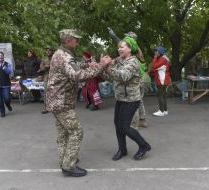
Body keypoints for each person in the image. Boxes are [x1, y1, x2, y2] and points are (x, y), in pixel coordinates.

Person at [46, 29, 111, 177]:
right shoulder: (64, 56)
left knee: (63, 133)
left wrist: (87, 63)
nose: (78, 42)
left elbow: (74, 67)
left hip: (57, 101)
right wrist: (100, 65)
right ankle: (69, 165)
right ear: (69, 40)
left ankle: (64, 159)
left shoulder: (62, 54)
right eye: (76, 39)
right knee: (76, 131)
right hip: (61, 102)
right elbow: (77, 75)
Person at [102, 36, 151, 161]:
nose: (119, 49)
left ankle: (144, 145)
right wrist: (101, 67)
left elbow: (123, 76)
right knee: (118, 125)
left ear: (130, 49)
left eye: (122, 47)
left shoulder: (133, 62)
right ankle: (122, 149)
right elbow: (111, 77)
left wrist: (109, 68)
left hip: (131, 99)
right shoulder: (119, 60)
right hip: (120, 98)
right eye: (118, 47)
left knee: (124, 126)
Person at [108, 29, 148, 128]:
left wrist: (114, 35)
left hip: (137, 79)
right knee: (139, 101)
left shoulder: (134, 52)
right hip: (138, 78)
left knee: (135, 101)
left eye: (127, 37)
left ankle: (134, 124)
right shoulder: (135, 50)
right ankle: (142, 120)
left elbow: (122, 45)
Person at [151, 46, 170, 117]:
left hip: (162, 81)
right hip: (164, 80)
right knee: (163, 96)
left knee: (160, 96)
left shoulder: (162, 59)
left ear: (160, 52)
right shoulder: (163, 58)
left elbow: (153, 66)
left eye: (156, 51)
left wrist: (155, 57)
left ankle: (161, 111)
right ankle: (165, 110)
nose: (155, 53)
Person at [38, 46, 55, 114]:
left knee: (55, 92)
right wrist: (45, 67)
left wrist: (50, 66)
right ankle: (46, 107)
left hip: (55, 77)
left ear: (52, 51)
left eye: (49, 50)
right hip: (47, 77)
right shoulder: (44, 59)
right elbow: (41, 68)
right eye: (47, 50)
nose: (48, 52)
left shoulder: (56, 59)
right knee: (46, 93)